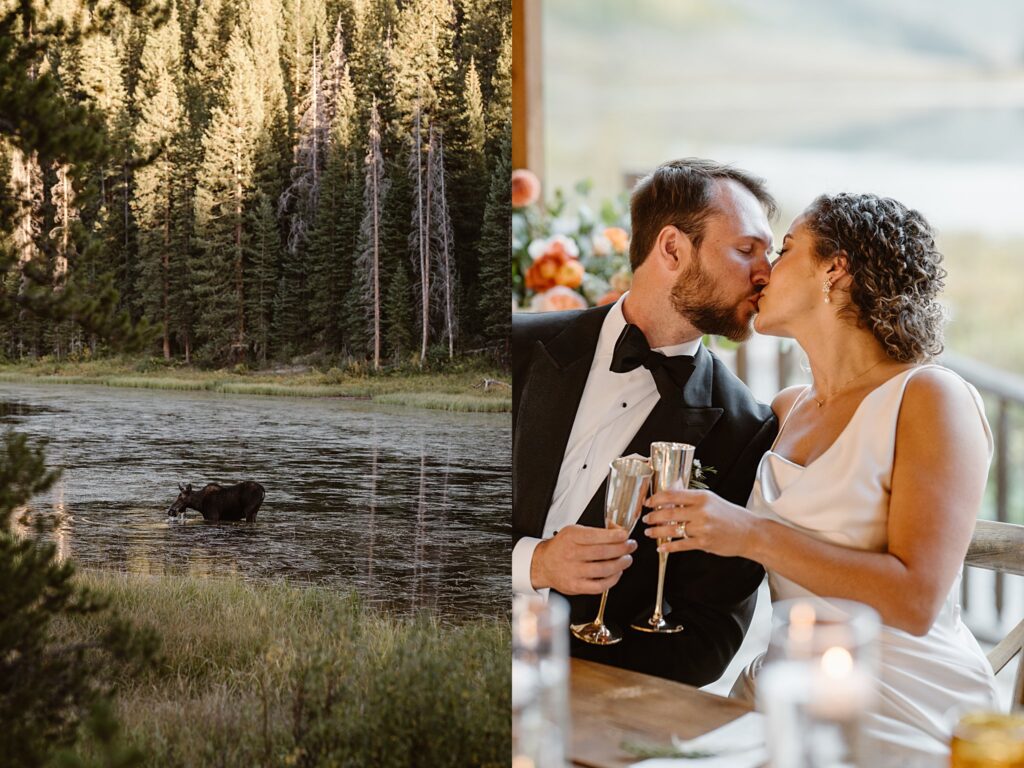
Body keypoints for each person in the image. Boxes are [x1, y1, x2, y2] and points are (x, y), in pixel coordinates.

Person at [643, 192, 999, 762]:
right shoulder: (786, 409)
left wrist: (751, 535)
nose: (763, 272)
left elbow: (916, 599)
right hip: (783, 687)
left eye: (784, 251)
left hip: (901, 700)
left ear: (835, 269)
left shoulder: (930, 397)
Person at [512, 158, 779, 685]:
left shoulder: (746, 431)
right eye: (747, 249)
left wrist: (570, 684)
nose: (766, 272)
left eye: (767, 253)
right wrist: (534, 565)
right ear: (673, 249)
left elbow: (709, 638)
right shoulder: (513, 350)